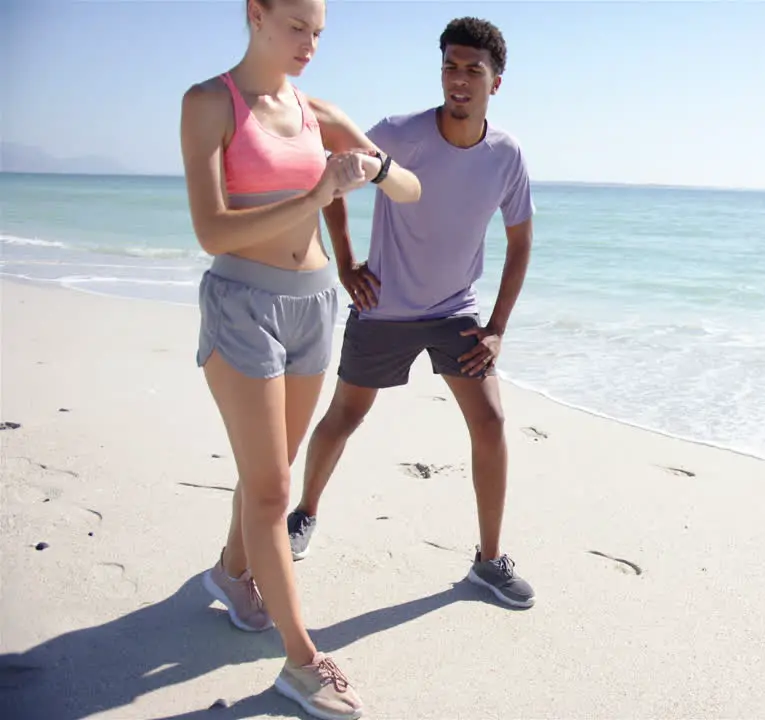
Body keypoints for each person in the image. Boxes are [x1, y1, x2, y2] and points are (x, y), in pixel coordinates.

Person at [178, 0, 421, 717]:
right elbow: (211, 231)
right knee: (272, 493)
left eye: (318, 33)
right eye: (296, 27)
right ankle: (300, 660)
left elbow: (412, 187)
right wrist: (316, 192)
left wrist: (372, 169)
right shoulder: (208, 104)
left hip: (315, 304)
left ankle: (231, 574)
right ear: (255, 14)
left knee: (271, 475)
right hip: (243, 304)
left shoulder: (319, 110)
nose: (309, 45)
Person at [289, 16, 537, 609]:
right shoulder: (398, 134)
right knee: (346, 415)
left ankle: (488, 561)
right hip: (386, 308)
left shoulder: (506, 154)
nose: (458, 79)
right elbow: (334, 177)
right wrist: (346, 264)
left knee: (492, 424)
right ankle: (304, 513)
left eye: (472, 70)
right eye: (450, 66)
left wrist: (498, 329)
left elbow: (521, 240)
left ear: (495, 83)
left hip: (456, 311)